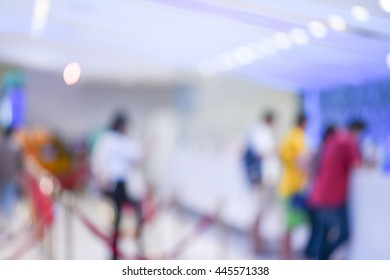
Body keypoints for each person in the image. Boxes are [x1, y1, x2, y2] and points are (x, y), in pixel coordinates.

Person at [306, 120, 366, 260]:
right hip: (333, 197)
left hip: (318, 196)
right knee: (344, 234)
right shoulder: (348, 141)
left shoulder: (331, 141)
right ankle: (324, 258)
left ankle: (320, 259)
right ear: (357, 130)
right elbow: (357, 165)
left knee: (322, 234)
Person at [91, 111, 144, 259]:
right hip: (112, 185)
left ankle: (135, 247)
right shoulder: (107, 140)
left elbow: (136, 158)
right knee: (115, 220)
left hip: (124, 184)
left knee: (135, 214)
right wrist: (100, 179)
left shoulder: (125, 141)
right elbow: (98, 160)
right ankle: (113, 252)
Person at [243, 111, 280, 253]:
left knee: (259, 212)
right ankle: (256, 246)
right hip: (263, 180)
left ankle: (257, 244)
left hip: (261, 179)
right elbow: (261, 152)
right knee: (259, 212)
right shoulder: (261, 132)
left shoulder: (255, 131)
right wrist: (276, 150)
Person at [278, 113, 308, 259]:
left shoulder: (289, 136)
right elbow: (300, 161)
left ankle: (286, 256)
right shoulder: (296, 137)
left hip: (288, 185)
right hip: (293, 187)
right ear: (304, 123)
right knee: (289, 225)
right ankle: (286, 257)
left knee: (290, 225)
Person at [304, 124, 336, 259]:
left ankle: (311, 255)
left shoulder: (319, 150)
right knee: (320, 230)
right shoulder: (326, 151)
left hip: (314, 195)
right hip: (319, 197)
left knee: (316, 229)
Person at [0, 126, 23, 227]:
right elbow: (20, 163)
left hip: (2, 176)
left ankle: (3, 221)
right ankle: (8, 222)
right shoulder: (15, 146)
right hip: (11, 176)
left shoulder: (1, 145)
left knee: (2, 199)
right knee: (9, 199)